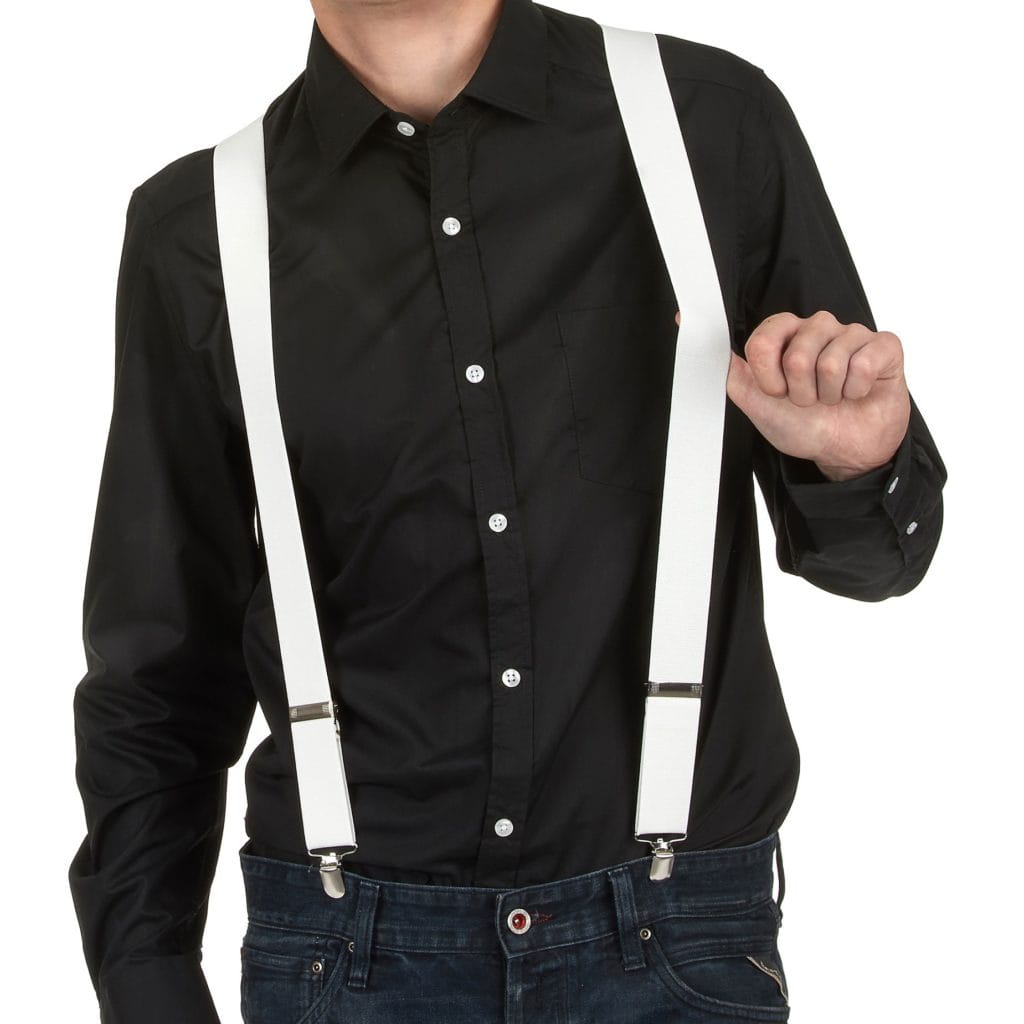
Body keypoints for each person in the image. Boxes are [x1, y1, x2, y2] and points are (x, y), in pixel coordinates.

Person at [67, 1, 948, 1021]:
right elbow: (159, 670)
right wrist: (150, 986)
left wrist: (853, 459)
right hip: (345, 957)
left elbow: (877, 561)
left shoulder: (709, 123)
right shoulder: (197, 228)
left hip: (678, 942)